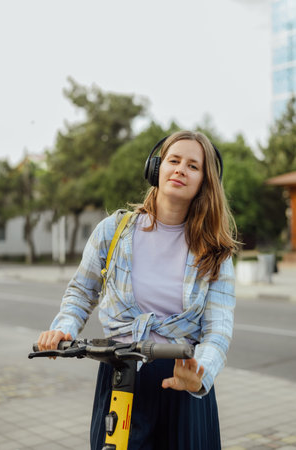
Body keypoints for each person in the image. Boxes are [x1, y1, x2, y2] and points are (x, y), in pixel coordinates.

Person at [38, 130, 238, 450]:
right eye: (173, 160)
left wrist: (201, 374)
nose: (180, 170)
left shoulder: (216, 251)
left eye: (193, 166)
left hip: (183, 379)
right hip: (121, 375)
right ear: (155, 167)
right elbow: (80, 292)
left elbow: (219, 330)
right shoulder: (112, 231)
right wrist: (62, 329)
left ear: (205, 181)